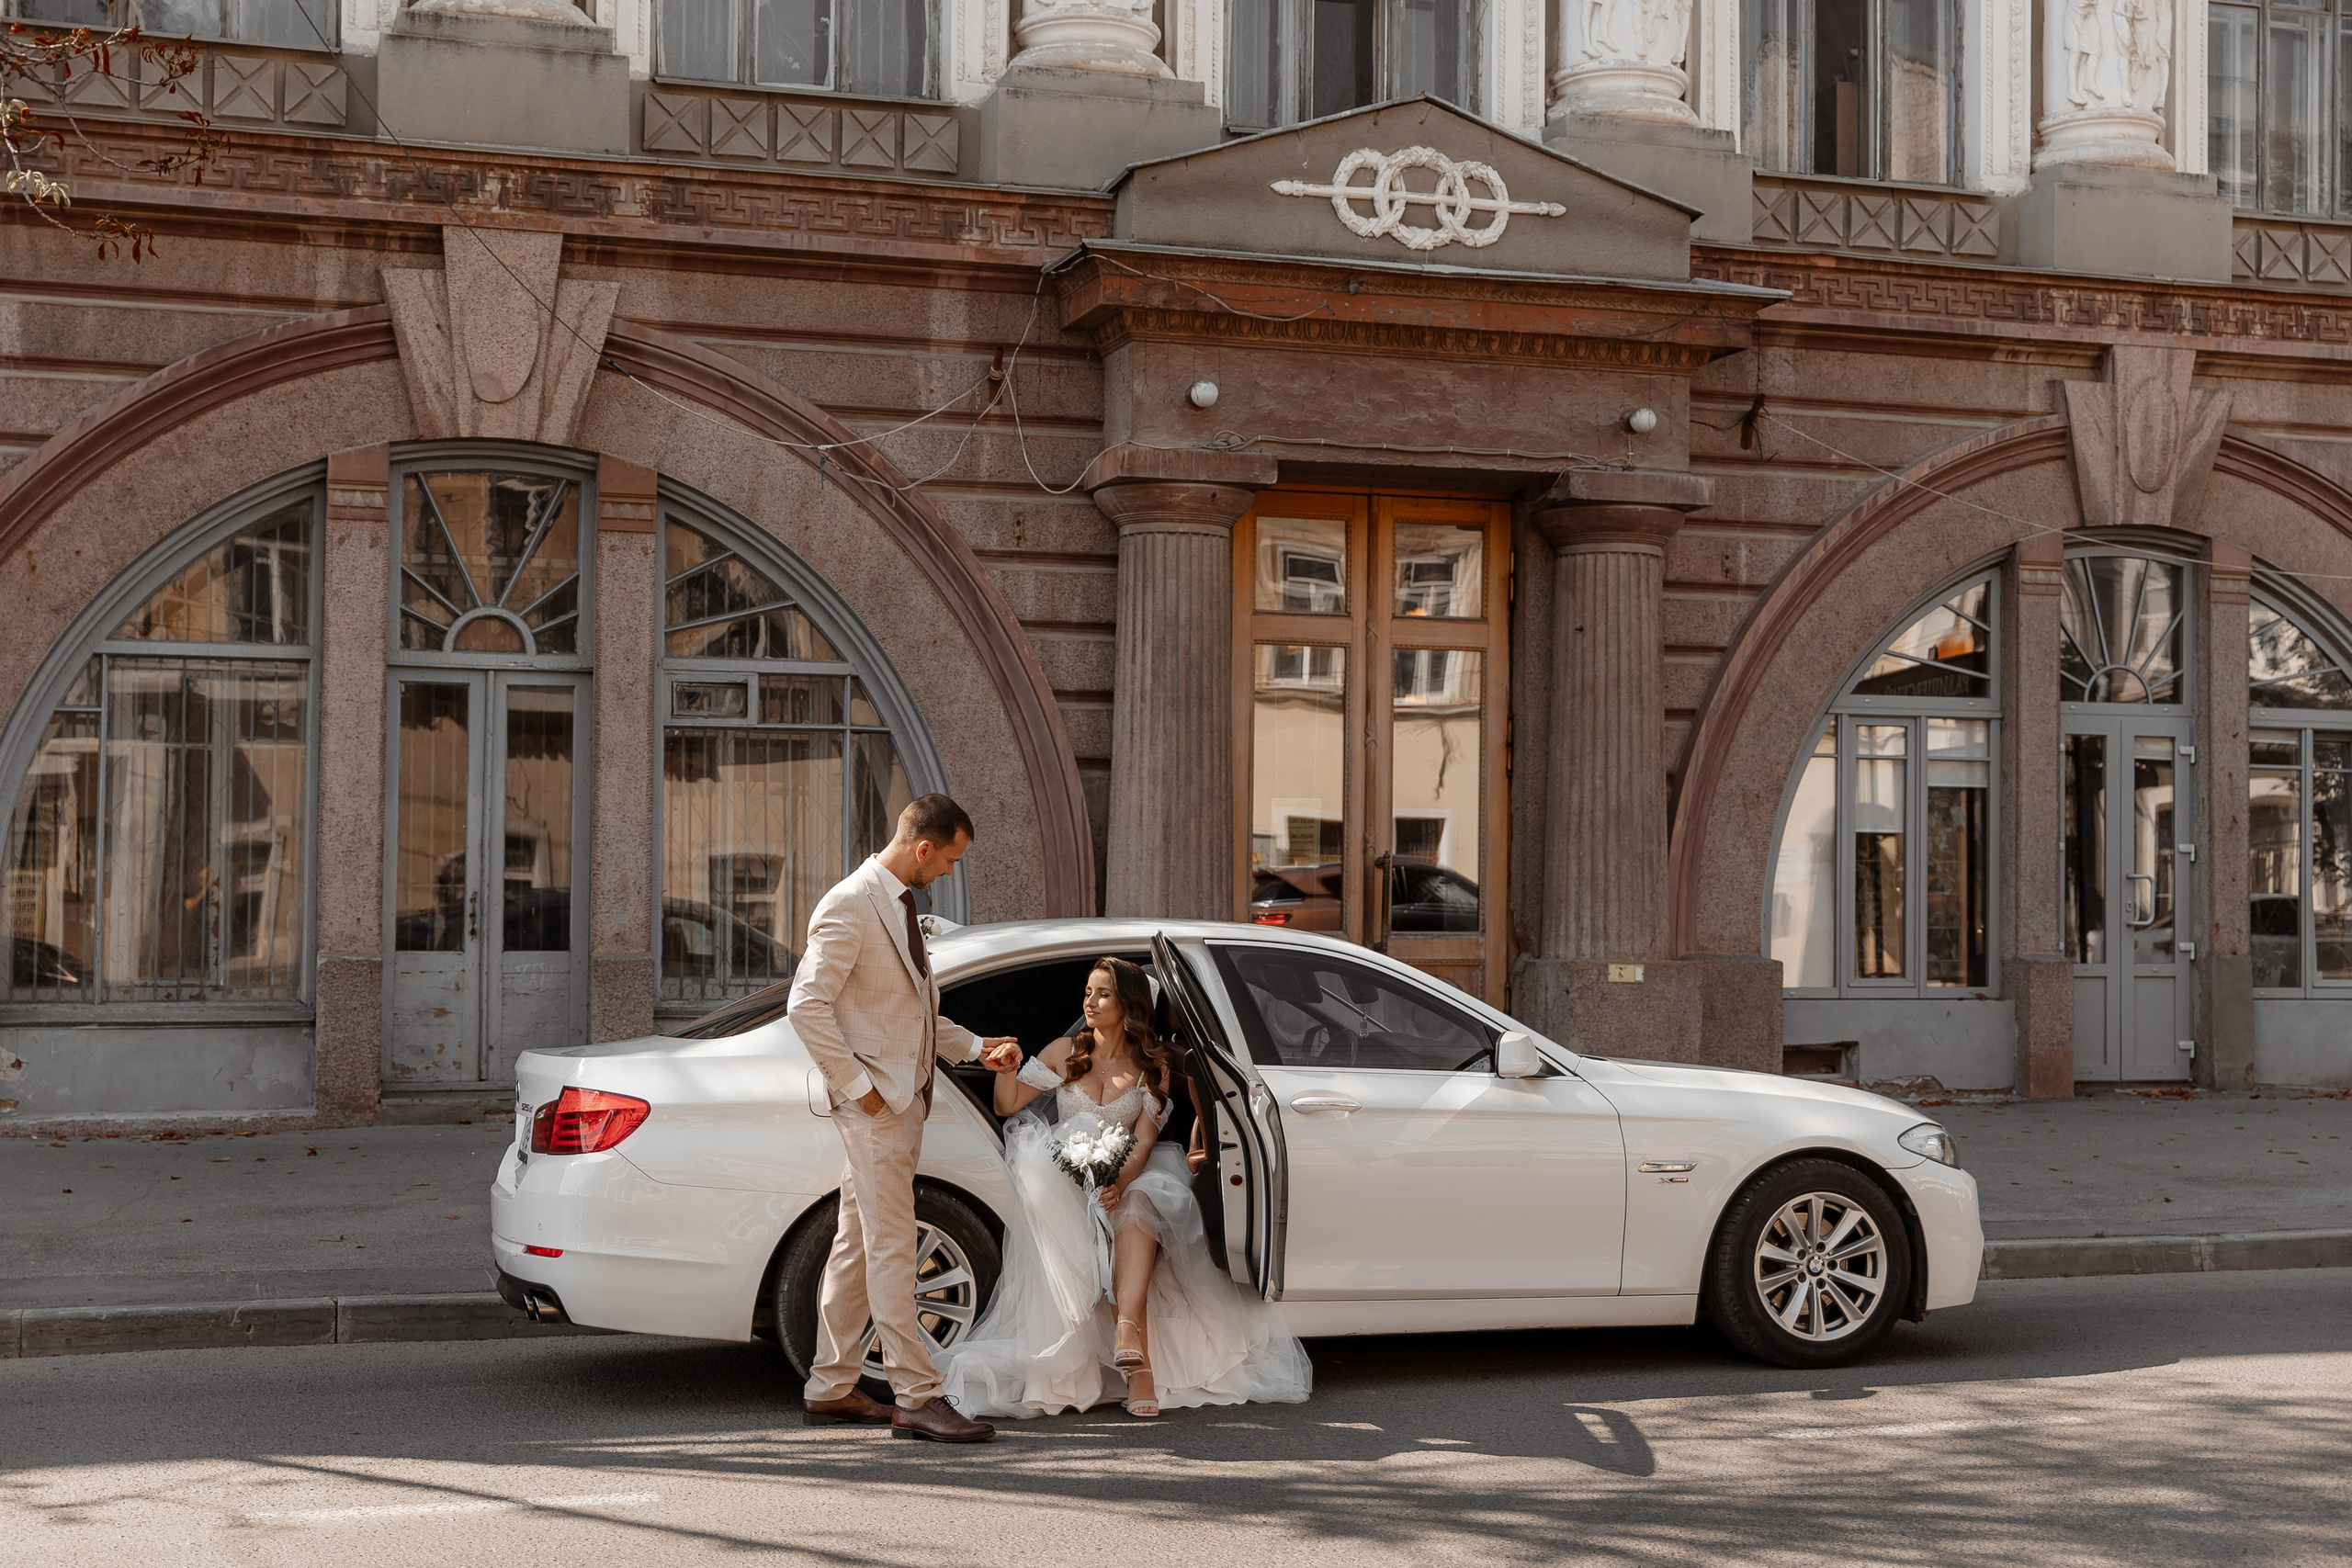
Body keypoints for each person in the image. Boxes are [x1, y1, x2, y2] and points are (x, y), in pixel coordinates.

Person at [938, 956, 1314, 1419]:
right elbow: (1008, 1104)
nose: (1090, 1003)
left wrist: (1118, 1182)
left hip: (1132, 1170)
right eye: (1088, 993)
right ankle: (1133, 1358)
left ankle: (1132, 1342)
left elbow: (1144, 1140)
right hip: (1063, 1177)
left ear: (1129, 1004)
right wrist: (1004, 1069)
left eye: (1103, 994)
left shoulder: (1150, 1066)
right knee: (1098, 1209)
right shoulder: (1063, 1051)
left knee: (1140, 1202)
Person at [788, 794, 1022, 1444]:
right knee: (894, 1248)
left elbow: (910, 1013)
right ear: (924, 848)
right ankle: (917, 1395)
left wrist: (978, 1047)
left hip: (893, 1107)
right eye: (949, 859)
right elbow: (806, 1004)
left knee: (857, 1243)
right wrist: (860, 1089)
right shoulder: (851, 902)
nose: (949, 871)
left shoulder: (897, 906)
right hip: (877, 1110)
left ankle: (830, 1385)